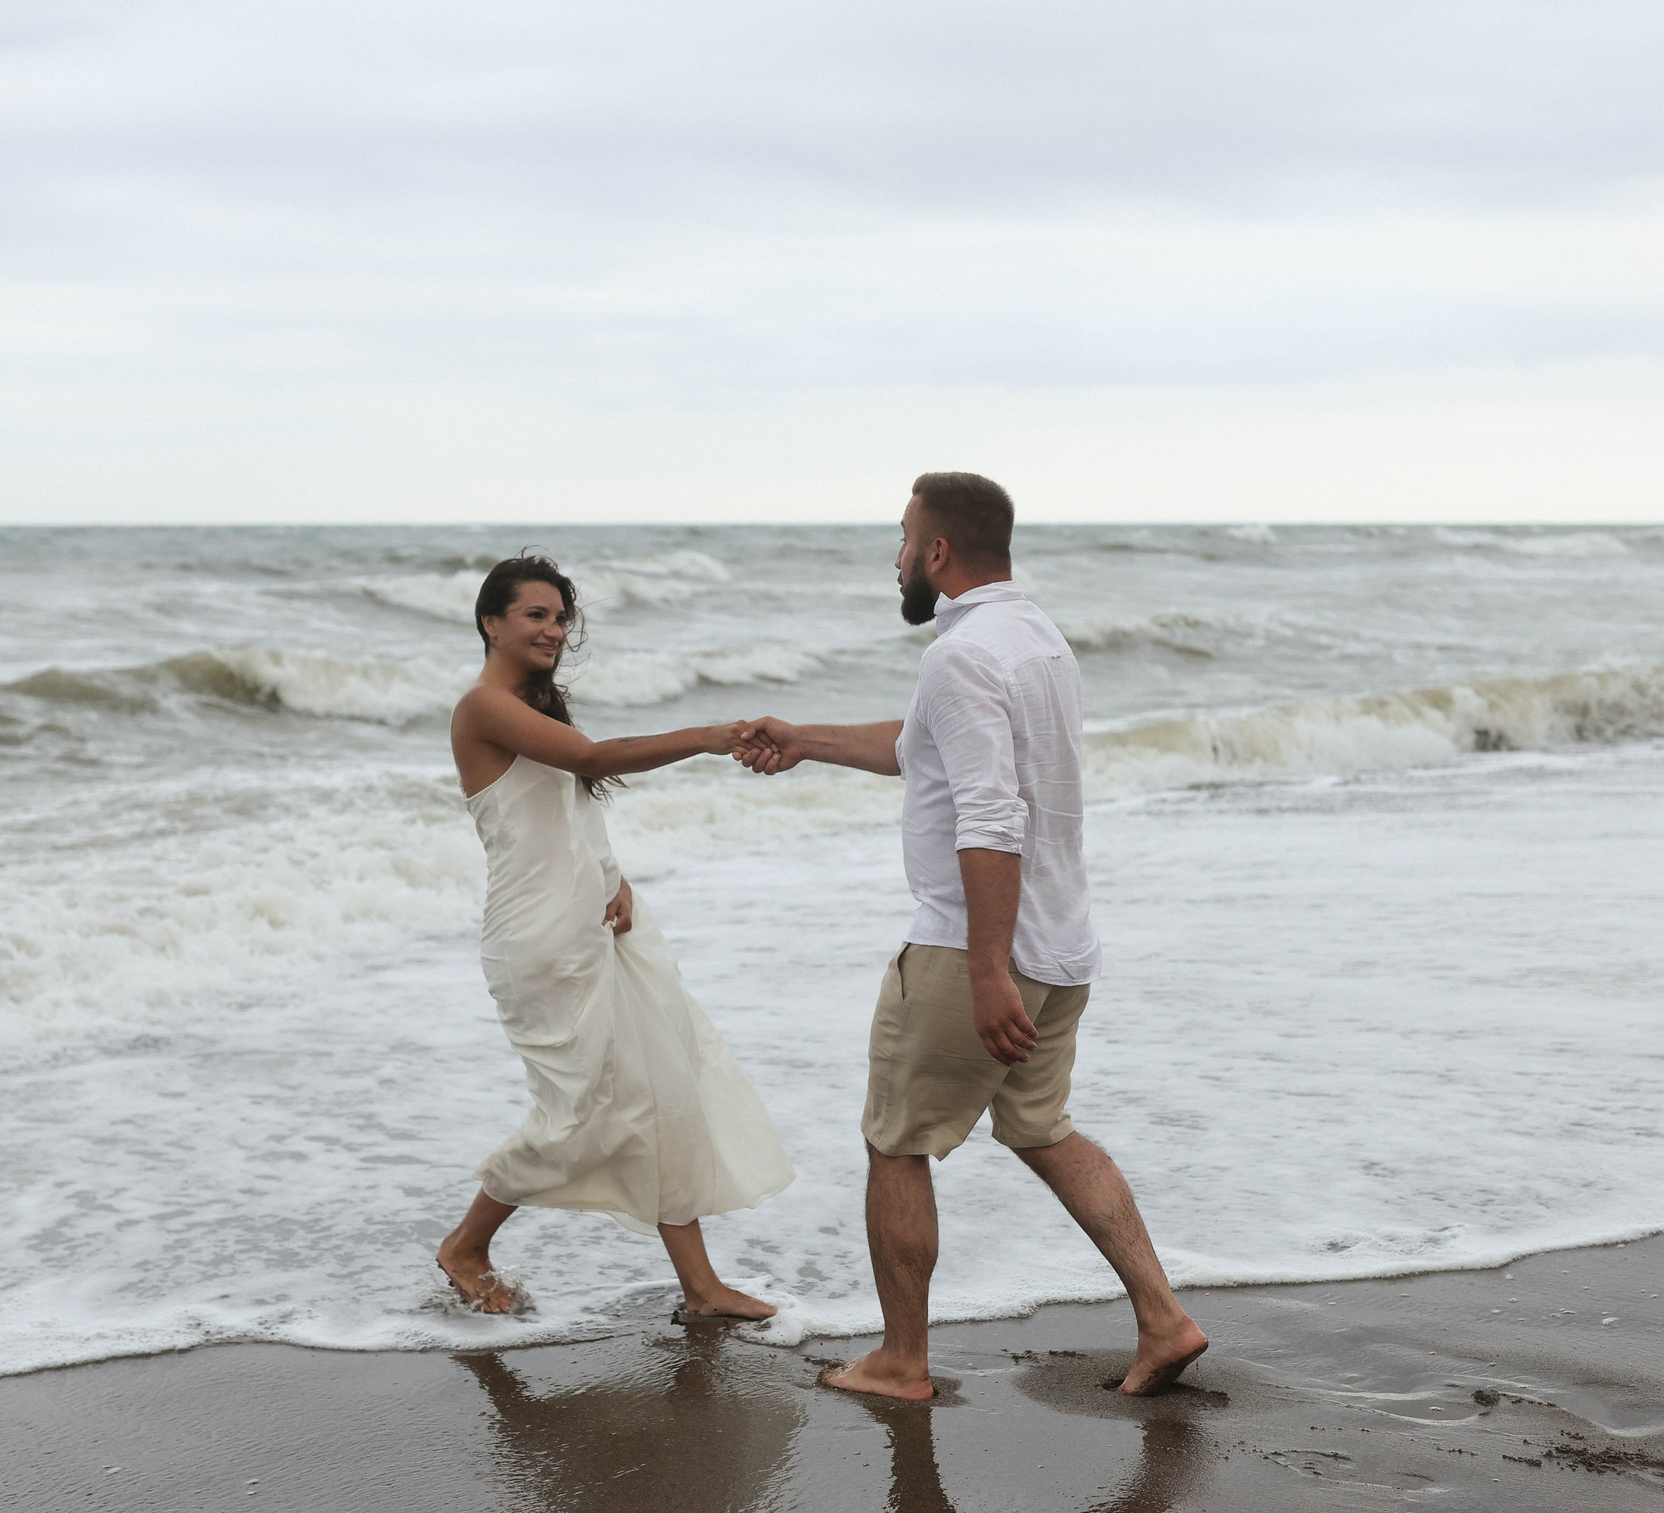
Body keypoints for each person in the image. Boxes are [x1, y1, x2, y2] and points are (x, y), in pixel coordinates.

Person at [734, 474, 1207, 1398]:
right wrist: (806, 738)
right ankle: (1164, 1317)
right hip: (1060, 946)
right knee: (1041, 1127)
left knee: (896, 1144)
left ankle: (902, 1361)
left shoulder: (960, 658)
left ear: (938, 552)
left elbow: (991, 819)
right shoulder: (1034, 638)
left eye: (904, 537)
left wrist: (987, 969)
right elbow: (924, 747)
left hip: (970, 949)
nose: (897, 555)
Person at [437, 553, 792, 1319]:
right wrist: (704, 735)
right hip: (536, 938)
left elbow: (566, 808)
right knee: (578, 1114)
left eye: (561, 617)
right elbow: (592, 761)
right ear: (491, 622)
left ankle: (701, 1287)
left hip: (590, 923)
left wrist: (613, 875)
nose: (553, 629)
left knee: (657, 1096)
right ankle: (465, 1245)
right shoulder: (482, 708)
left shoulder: (534, 707)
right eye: (535, 614)